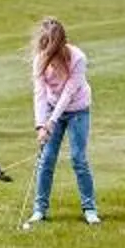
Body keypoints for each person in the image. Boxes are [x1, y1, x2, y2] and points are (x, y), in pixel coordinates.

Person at [25, 16, 99, 225]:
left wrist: (52, 121)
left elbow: (68, 93)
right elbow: (40, 94)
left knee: (78, 158)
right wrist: (41, 125)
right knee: (46, 159)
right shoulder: (40, 60)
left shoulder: (78, 58)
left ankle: (90, 209)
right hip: (51, 108)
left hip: (78, 109)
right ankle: (39, 209)